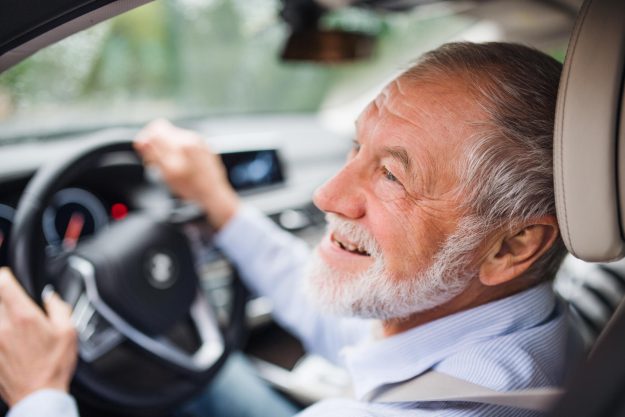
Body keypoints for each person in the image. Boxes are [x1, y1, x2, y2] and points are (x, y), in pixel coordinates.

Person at [0, 42, 582, 417]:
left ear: (514, 245)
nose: (327, 195)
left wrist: (40, 394)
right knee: (203, 371)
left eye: (391, 177)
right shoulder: (533, 326)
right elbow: (335, 322)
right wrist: (220, 208)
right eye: (356, 146)